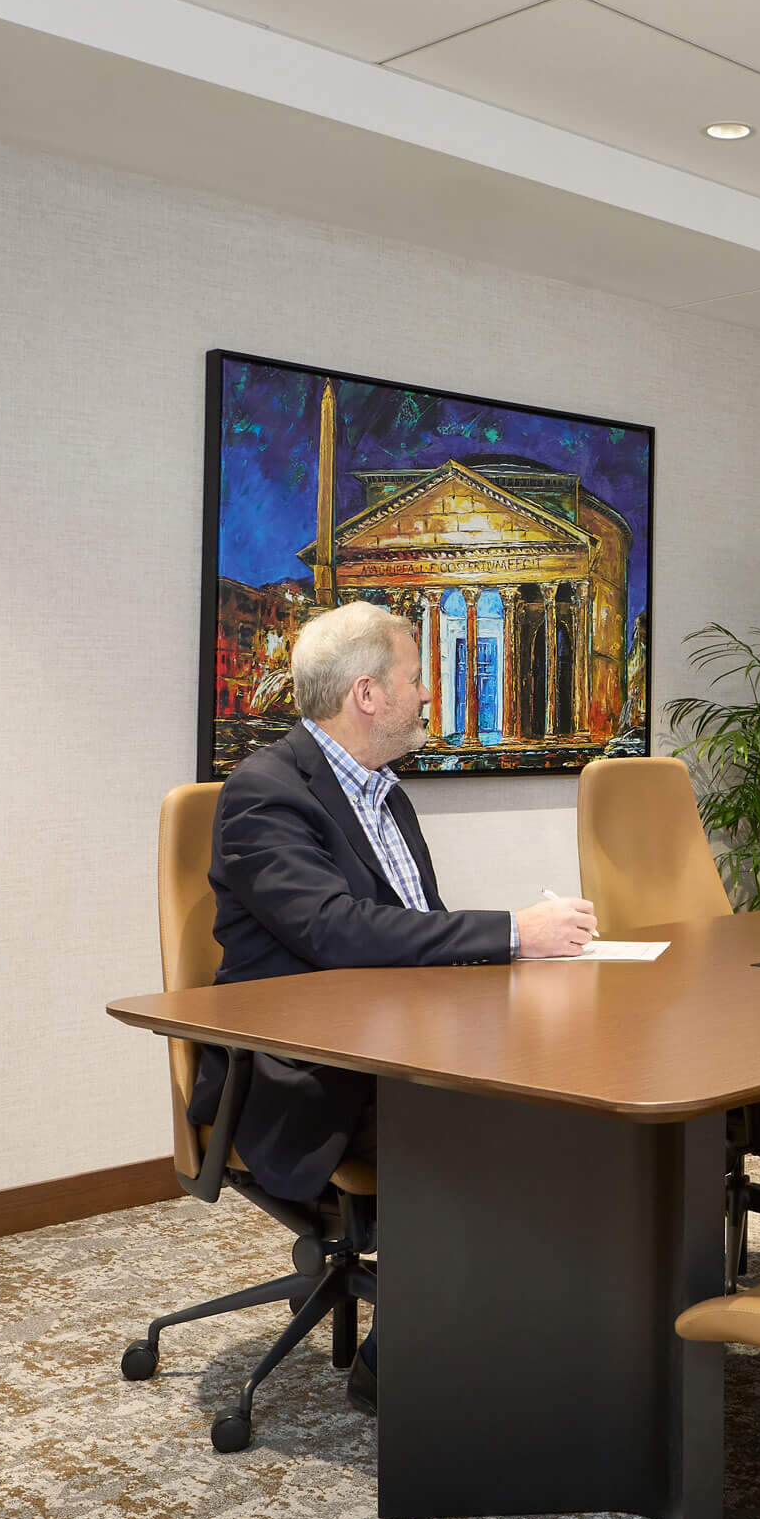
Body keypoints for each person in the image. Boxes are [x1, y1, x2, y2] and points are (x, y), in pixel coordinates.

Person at [191, 600, 597, 1408]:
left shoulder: (384, 792)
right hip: (305, 1070)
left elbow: (412, 937)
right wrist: (515, 930)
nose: (428, 698)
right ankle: (403, 1356)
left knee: (576, 1090)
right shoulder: (263, 794)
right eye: (417, 679)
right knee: (497, 1119)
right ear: (368, 694)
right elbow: (339, 933)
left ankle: (549, 1324)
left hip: (400, 1042)